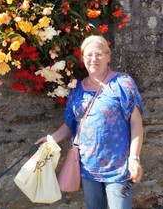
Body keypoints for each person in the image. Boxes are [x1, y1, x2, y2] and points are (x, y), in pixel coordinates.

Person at [36, 35, 144, 209]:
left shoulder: (122, 83)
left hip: (117, 169)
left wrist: (134, 158)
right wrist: (51, 139)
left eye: (99, 54)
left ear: (108, 56)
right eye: (89, 55)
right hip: (88, 168)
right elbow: (71, 124)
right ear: (83, 58)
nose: (94, 59)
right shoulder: (77, 90)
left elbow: (136, 123)